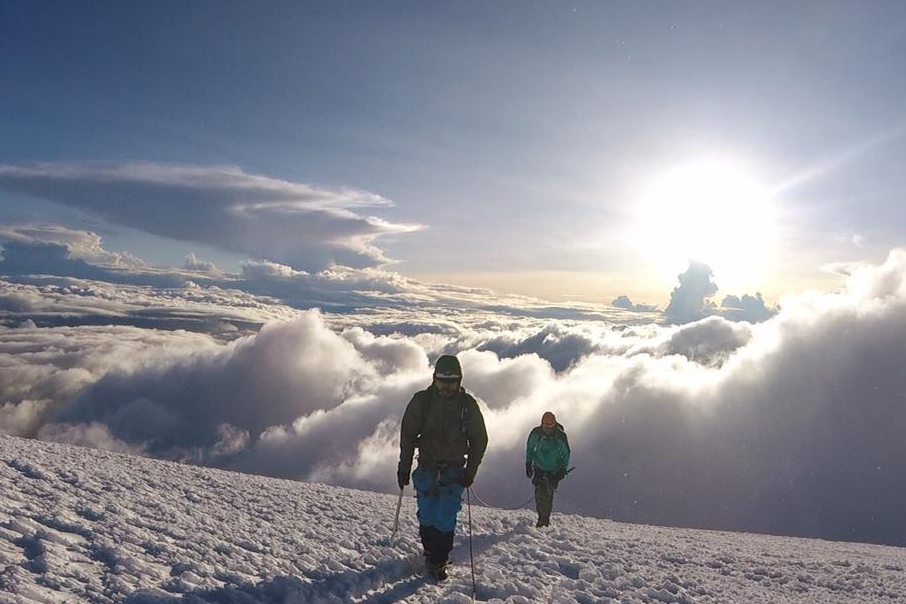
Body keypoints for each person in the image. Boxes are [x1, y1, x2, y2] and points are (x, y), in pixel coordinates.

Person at [397, 354, 488, 581]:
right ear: (434, 379)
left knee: (445, 516)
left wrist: (470, 471)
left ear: (459, 381)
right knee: (427, 514)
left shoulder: (467, 406)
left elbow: (480, 439)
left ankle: (439, 559)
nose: (447, 387)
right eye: (442, 381)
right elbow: (408, 435)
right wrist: (404, 467)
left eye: (451, 382)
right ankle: (431, 553)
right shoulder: (422, 401)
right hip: (427, 467)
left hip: (454, 471)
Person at [525, 411, 570, 527]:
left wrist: (562, 470)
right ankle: (542, 518)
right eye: (544, 426)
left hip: (554, 470)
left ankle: (544, 519)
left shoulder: (560, 436)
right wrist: (528, 463)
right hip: (540, 467)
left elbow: (566, 453)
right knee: (540, 493)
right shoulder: (537, 433)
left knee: (548, 493)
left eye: (549, 426)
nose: (547, 429)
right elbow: (530, 448)